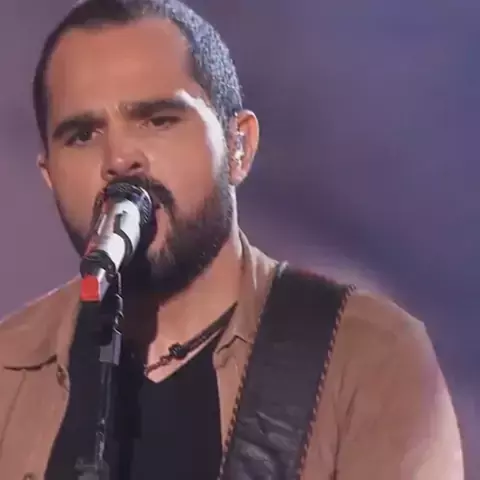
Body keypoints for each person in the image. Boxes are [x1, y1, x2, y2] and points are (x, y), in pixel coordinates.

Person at [0, 0, 464, 479]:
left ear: (238, 145)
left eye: (159, 120)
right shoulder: (8, 367)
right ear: (49, 175)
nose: (119, 159)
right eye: (81, 135)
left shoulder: (367, 356)